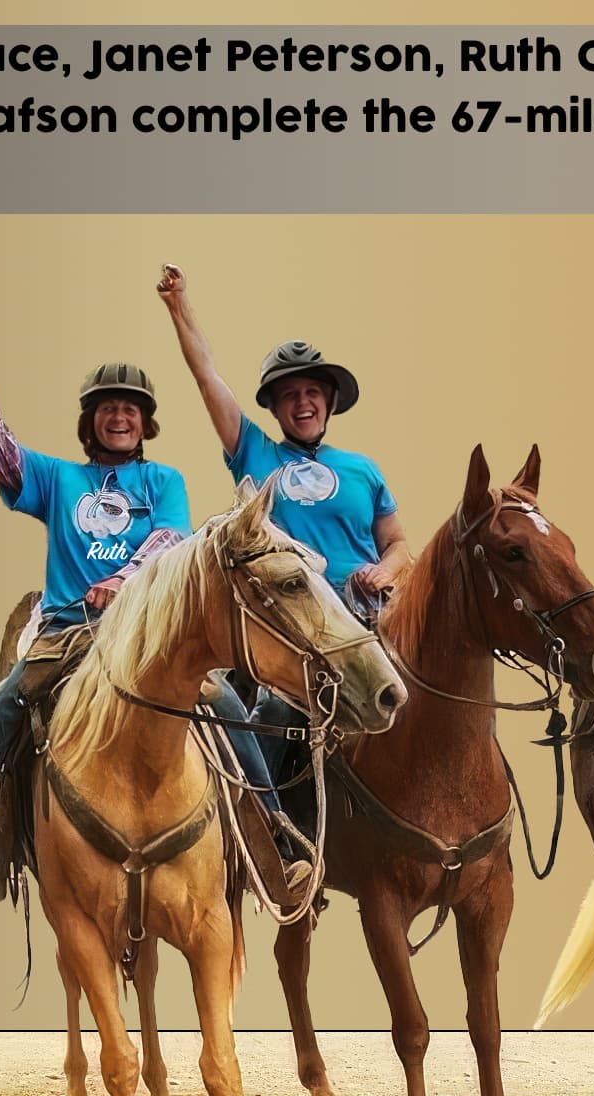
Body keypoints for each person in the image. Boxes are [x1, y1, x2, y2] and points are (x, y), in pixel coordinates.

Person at [0, 336, 309, 911]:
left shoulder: (163, 482)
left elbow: (168, 540)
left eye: (130, 408)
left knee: (230, 707)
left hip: (149, 637)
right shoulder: (59, 479)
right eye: (108, 407)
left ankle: (277, 839)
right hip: (70, 632)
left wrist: (125, 580)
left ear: (145, 423)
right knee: (5, 707)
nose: (119, 416)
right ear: (91, 421)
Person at [155, 262, 410, 794]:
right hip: (291, 625)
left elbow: (398, 544)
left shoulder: (363, 468)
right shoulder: (253, 451)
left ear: (329, 400)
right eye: (290, 395)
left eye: (313, 392)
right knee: (271, 711)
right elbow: (208, 377)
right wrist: (180, 307)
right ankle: (264, 823)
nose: (303, 402)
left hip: (368, 619)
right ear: (274, 407)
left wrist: (385, 573)